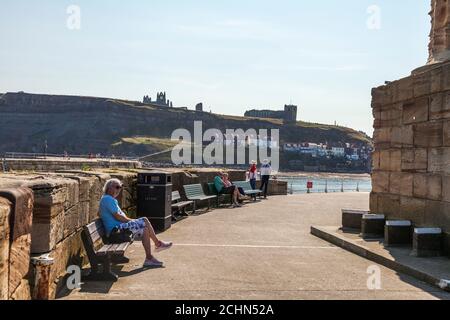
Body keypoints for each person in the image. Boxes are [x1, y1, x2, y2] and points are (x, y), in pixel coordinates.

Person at [99, 178, 172, 268]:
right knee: (144, 220)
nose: (119, 190)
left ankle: (149, 258)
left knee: (145, 230)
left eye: (120, 187)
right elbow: (118, 217)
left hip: (119, 230)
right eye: (117, 187)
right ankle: (158, 244)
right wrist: (133, 221)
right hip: (115, 232)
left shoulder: (109, 199)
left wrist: (133, 222)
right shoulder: (107, 199)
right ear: (109, 188)